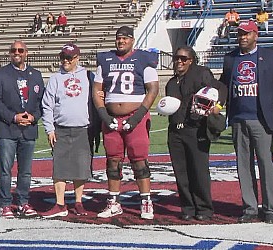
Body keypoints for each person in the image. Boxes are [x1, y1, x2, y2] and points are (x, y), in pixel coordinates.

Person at [219, 20, 273, 224]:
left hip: (262, 118)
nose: (243, 37)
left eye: (247, 33)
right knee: (243, 166)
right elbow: (223, 84)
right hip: (238, 118)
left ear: (256, 35)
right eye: (240, 34)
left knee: (266, 164)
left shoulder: (271, 56)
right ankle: (249, 207)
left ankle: (270, 208)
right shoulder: (230, 58)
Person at [92, 26, 159, 220]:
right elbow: (97, 91)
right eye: (118, 38)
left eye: (125, 38)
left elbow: (152, 90)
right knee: (113, 161)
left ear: (132, 41)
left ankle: (146, 201)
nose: (121, 41)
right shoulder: (105, 60)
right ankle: (113, 202)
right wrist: (104, 116)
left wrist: (137, 117)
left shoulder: (144, 59)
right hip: (111, 117)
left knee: (139, 160)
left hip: (135, 116)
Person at [165, 46, 227, 221]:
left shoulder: (201, 74)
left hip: (195, 129)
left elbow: (221, 88)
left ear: (191, 60)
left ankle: (204, 209)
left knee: (199, 171)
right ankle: (188, 207)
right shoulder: (171, 82)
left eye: (184, 58)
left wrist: (218, 106)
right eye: (177, 58)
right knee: (181, 172)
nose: (179, 61)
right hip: (175, 131)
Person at [0, 41, 45, 218]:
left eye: (20, 50)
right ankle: (5, 204)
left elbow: (42, 101)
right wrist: (13, 117)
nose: (17, 53)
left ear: (27, 53)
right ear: (9, 53)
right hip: (8, 128)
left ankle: (23, 202)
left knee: (25, 171)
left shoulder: (35, 74)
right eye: (13, 50)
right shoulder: (0, 74)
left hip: (28, 128)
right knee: (5, 169)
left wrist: (33, 116)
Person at [40, 43, 94, 218]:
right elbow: (47, 106)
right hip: (61, 128)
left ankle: (78, 202)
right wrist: (49, 129)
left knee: (81, 167)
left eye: (69, 58)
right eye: (62, 57)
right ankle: (60, 203)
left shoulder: (87, 76)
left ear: (77, 58)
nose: (65, 60)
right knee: (60, 168)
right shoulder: (55, 79)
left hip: (82, 128)